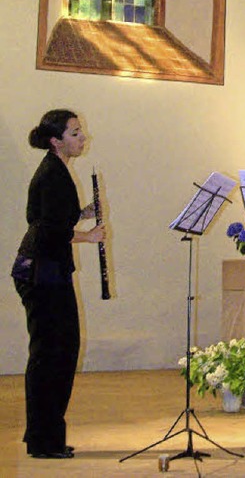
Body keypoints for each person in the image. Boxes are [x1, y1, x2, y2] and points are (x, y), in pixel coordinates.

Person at [11, 109, 105, 459]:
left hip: (47, 269)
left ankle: (43, 436)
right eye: (76, 133)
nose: (83, 138)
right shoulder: (52, 173)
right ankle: (43, 441)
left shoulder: (58, 169)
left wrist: (81, 214)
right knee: (52, 355)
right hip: (41, 272)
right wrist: (87, 235)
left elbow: (45, 216)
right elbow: (47, 230)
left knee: (59, 353)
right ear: (56, 141)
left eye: (81, 131)